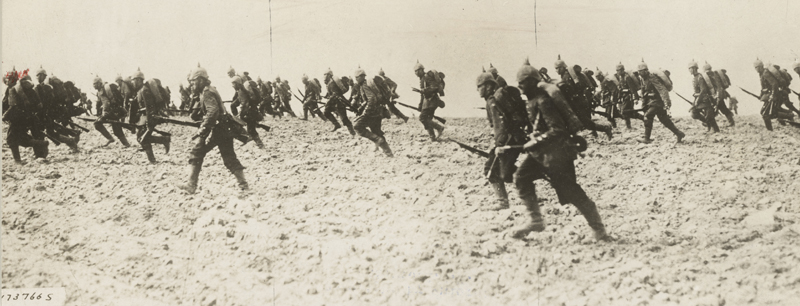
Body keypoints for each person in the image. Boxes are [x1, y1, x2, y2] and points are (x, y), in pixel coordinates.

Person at [512, 59, 610, 241]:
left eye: (523, 82)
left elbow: (557, 130)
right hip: (542, 153)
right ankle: (536, 220)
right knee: (521, 177)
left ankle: (599, 230)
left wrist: (533, 143)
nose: (519, 86)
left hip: (557, 154)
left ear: (533, 81)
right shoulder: (533, 100)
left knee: (571, 191)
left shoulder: (543, 101)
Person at [178, 65, 248, 194]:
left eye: (193, 82)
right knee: (229, 157)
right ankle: (244, 185)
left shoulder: (207, 92)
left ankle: (191, 185)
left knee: (197, 152)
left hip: (219, 128)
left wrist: (202, 131)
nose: (192, 85)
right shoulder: (208, 90)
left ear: (200, 80)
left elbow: (212, 112)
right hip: (224, 128)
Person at [476, 72, 527, 211]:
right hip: (507, 140)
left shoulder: (493, 101)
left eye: (479, 86)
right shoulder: (491, 100)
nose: (478, 89)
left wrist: (500, 146)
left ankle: (503, 203)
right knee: (505, 171)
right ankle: (530, 177)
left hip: (508, 141)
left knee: (491, 170)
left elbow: (503, 125)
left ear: (487, 86)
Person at [554, 56, 613, 139]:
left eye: (557, 68)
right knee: (582, 122)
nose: (556, 70)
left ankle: (605, 128)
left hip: (576, 102)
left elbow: (570, 90)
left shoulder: (566, 76)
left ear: (562, 67)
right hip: (576, 101)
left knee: (584, 122)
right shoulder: (565, 75)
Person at [3, 74, 50, 163]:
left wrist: (4, 116)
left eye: (7, 79)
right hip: (25, 118)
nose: (6, 81)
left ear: (12, 80)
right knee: (22, 138)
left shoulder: (13, 90)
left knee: (11, 140)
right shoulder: (24, 89)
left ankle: (18, 161)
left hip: (16, 119)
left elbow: (13, 106)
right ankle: (42, 143)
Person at [637, 61, 685, 143]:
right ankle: (679, 133)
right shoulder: (643, 79)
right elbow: (643, 91)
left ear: (645, 70)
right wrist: (643, 104)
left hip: (658, 101)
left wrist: (667, 103)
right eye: (639, 72)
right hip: (652, 102)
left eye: (640, 71)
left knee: (648, 116)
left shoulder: (652, 78)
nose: (639, 73)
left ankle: (646, 138)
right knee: (664, 119)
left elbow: (662, 90)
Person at [129, 69, 171, 163]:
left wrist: (149, 122)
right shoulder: (140, 90)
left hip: (149, 117)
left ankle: (152, 160)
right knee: (141, 137)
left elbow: (150, 108)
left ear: (139, 80)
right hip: (144, 117)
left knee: (142, 138)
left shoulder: (145, 90)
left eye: (134, 80)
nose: (133, 83)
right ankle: (164, 140)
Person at [353, 69, 394, 157]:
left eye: (357, 77)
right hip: (378, 112)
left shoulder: (364, 85)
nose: (356, 79)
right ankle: (389, 154)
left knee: (357, 126)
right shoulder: (366, 85)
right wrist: (361, 107)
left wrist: (365, 112)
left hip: (372, 112)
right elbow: (369, 99)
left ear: (362, 77)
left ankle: (377, 140)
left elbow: (371, 99)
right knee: (376, 131)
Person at [93, 76, 130, 147]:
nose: (93, 85)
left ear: (99, 83)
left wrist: (104, 115)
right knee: (116, 128)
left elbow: (106, 104)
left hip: (113, 111)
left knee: (97, 124)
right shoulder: (103, 89)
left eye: (95, 84)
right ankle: (126, 144)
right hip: (115, 110)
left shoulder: (103, 90)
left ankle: (110, 138)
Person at [413, 62, 445, 141]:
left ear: (420, 70)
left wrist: (423, 90)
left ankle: (439, 128)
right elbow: (422, 94)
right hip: (427, 102)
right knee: (428, 119)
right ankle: (432, 138)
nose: (415, 73)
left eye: (416, 71)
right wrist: (420, 105)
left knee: (422, 118)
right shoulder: (422, 79)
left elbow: (434, 87)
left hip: (432, 101)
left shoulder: (426, 77)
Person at [232, 75, 265, 149]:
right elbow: (238, 102)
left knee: (250, 130)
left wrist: (240, 113)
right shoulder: (240, 91)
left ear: (238, 83)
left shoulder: (242, 90)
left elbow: (245, 103)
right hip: (249, 112)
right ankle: (257, 143)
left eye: (233, 84)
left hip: (250, 113)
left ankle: (260, 145)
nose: (232, 86)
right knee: (250, 129)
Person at [323, 69, 356, 135]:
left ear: (329, 75)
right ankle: (336, 125)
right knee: (326, 112)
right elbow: (331, 92)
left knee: (344, 119)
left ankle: (352, 132)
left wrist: (328, 101)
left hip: (339, 102)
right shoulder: (329, 83)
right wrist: (327, 96)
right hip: (334, 102)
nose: (324, 76)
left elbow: (335, 94)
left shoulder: (332, 83)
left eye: (325, 74)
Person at [614, 63, 644, 129]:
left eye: (618, 70)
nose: (617, 72)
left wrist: (635, 98)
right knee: (628, 112)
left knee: (624, 111)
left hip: (629, 97)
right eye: (616, 70)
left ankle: (630, 126)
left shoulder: (627, 77)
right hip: (624, 97)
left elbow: (632, 89)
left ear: (622, 70)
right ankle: (642, 119)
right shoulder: (620, 77)